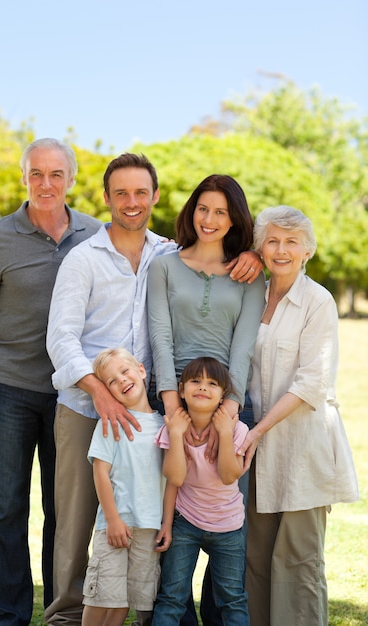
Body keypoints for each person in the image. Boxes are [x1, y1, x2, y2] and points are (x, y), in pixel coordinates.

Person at [45, 155, 262, 625]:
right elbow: (60, 337)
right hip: (88, 407)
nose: (131, 202)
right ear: (106, 198)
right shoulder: (83, 259)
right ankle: (66, 616)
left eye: (141, 193)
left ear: (156, 197)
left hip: (150, 412)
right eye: (121, 193)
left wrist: (253, 254)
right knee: (81, 521)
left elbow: (214, 252)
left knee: (151, 515)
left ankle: (147, 615)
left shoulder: (166, 253)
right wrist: (97, 390)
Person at [0, 138, 101, 625]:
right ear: (24, 178)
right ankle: (10, 616)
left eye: (56, 174)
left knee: (64, 513)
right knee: (2, 511)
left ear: (71, 181)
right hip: (10, 389)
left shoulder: (95, 235)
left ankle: (62, 614)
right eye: (36, 173)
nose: (46, 184)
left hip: (72, 396)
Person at [147, 174, 265, 624]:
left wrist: (227, 413)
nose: (210, 219)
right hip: (171, 405)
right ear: (191, 211)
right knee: (173, 524)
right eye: (203, 208)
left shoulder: (249, 275)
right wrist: (172, 404)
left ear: (234, 218)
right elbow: (160, 335)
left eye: (221, 211)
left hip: (228, 409)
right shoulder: (165, 266)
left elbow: (243, 344)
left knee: (224, 530)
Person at [237, 205, 359, 626]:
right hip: (255, 448)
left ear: (307, 250)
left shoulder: (317, 301)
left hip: (302, 446)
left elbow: (312, 383)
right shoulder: (252, 295)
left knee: (298, 561)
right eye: (272, 240)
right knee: (255, 558)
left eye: (291, 241)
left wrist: (256, 432)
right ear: (260, 247)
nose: (281, 249)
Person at [152, 356, 250, 626]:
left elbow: (231, 476)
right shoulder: (174, 429)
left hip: (228, 528)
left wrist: (225, 433)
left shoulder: (237, 429)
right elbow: (175, 478)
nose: (203, 387)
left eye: (212, 383)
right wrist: (168, 525)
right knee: (171, 597)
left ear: (222, 396)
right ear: (181, 390)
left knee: (232, 599)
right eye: (195, 381)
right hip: (186, 524)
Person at [82, 347, 172, 626]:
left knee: (124, 602)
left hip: (148, 529)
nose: (121, 380)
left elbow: (171, 480)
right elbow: (100, 472)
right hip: (115, 526)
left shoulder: (164, 426)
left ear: (142, 371)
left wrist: (166, 524)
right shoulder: (112, 424)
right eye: (111, 381)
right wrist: (112, 520)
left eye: (125, 371)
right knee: (103, 598)